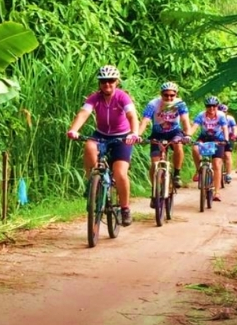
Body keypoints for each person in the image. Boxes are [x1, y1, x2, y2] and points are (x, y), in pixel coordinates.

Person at [67, 65, 140, 226]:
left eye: (111, 81)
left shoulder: (122, 97)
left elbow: (131, 115)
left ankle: (125, 208)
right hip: (101, 135)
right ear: (99, 83)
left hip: (122, 138)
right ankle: (93, 182)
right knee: (89, 146)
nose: (107, 84)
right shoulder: (95, 98)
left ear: (117, 82)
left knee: (120, 173)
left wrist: (134, 133)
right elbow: (83, 113)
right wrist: (73, 130)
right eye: (103, 81)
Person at [138, 82, 192, 207]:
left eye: (171, 95)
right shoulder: (153, 104)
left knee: (178, 145)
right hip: (157, 134)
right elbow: (145, 120)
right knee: (154, 163)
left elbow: (185, 120)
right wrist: (138, 135)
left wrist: (188, 135)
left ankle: (177, 174)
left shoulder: (180, 104)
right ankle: (155, 191)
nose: (168, 98)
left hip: (175, 133)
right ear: (160, 94)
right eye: (165, 95)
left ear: (176, 95)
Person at [191, 96, 228, 201]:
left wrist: (226, 139)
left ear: (217, 107)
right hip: (204, 137)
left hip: (218, 139)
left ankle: (217, 192)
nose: (211, 108)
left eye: (214, 106)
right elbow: (194, 127)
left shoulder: (221, 115)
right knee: (195, 149)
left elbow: (225, 128)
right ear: (205, 107)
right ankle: (199, 170)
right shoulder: (201, 115)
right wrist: (188, 136)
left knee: (216, 164)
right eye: (209, 106)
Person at [219, 103, 237, 183]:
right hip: (218, 138)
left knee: (227, 155)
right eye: (221, 111)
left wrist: (234, 135)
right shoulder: (215, 118)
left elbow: (234, 128)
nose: (223, 113)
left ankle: (228, 174)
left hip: (228, 137)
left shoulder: (230, 119)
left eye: (225, 112)